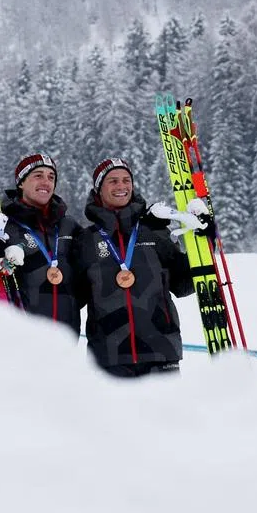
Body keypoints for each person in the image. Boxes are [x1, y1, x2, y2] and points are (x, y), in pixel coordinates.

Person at [73, 158, 194, 378]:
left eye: (126, 180)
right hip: (109, 360)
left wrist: (202, 246)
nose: (121, 186)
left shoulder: (155, 232)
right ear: (99, 189)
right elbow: (71, 297)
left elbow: (183, 284)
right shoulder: (85, 241)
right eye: (113, 181)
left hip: (161, 355)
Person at [0, 153, 83, 334]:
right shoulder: (3, 226)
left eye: (51, 177)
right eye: (38, 176)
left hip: (65, 342)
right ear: (21, 182)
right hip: (19, 340)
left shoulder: (69, 227)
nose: (46, 182)